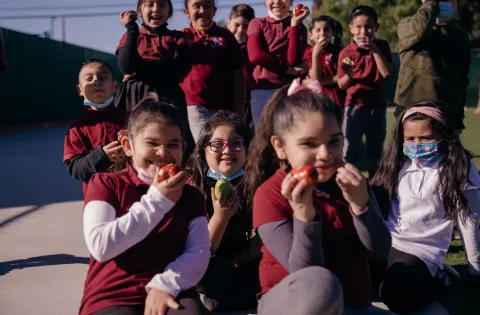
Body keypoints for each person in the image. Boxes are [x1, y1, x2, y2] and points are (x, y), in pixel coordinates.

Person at [244, 81, 392, 315]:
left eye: (334, 141)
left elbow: (380, 252)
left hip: (351, 306)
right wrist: (305, 216)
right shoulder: (270, 195)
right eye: (309, 144)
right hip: (293, 306)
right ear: (280, 147)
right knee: (321, 285)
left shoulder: (350, 182)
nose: (324, 154)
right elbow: (308, 280)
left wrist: (361, 206)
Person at [79, 93, 211, 315]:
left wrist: (165, 285)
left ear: (184, 147)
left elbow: (198, 252)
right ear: (127, 146)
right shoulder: (105, 184)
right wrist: (159, 200)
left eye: (173, 144)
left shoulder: (190, 195)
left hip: (171, 289)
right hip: (113, 294)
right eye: (152, 143)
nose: (163, 153)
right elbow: (101, 246)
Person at [371, 102, 480, 314]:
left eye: (426, 138)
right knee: (350, 277)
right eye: (410, 139)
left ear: (442, 135)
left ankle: (441, 277)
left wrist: (475, 268)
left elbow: (468, 222)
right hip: (387, 244)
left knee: (395, 295)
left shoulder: (456, 169)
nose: (417, 144)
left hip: (421, 253)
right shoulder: (395, 164)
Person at [185, 110, 260, 312]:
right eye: (217, 144)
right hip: (205, 261)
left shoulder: (253, 184)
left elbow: (264, 237)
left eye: (236, 144)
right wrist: (221, 216)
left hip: (241, 259)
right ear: (203, 150)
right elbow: (201, 252)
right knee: (204, 276)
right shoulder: (192, 189)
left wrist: (239, 260)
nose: (227, 151)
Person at [394, 0, 470, 131]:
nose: (440, 3)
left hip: (445, 111)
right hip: (410, 108)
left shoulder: (460, 36)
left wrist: (458, 115)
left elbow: (462, 79)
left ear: (457, 13)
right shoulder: (407, 25)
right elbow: (419, 28)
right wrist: (431, 4)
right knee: (407, 150)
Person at [337, 5, 393, 178]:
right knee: (350, 151)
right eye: (358, 27)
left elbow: (386, 73)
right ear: (351, 28)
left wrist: (374, 49)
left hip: (377, 106)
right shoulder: (346, 52)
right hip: (355, 106)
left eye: (368, 26)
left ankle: (377, 188)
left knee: (376, 152)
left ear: (376, 27)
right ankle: (350, 187)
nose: (363, 31)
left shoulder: (382, 46)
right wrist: (349, 74)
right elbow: (341, 84)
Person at [180, 0, 246, 143]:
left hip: (224, 107)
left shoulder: (226, 37)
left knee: (224, 145)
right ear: (186, 12)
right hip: (195, 103)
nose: (202, 10)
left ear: (214, 11)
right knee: (207, 144)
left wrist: (239, 109)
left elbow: (239, 74)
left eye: (207, 6)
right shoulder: (182, 38)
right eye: (197, 6)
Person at [115, 0, 190, 115]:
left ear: (169, 11)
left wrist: (139, 70)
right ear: (139, 12)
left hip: (168, 95)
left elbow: (179, 68)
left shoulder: (178, 37)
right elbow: (127, 67)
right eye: (149, 5)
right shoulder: (131, 35)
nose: (156, 9)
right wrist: (131, 29)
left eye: (162, 5)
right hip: (136, 95)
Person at [63, 59, 126, 190]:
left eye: (103, 77)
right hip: (99, 196)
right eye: (89, 79)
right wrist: (101, 156)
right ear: (80, 90)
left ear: (115, 86)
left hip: (135, 195)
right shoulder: (77, 129)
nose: (96, 82)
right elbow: (75, 169)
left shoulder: (132, 119)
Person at [247, 0, 309, 130]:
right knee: (263, 135)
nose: (277, 2)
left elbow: (293, 60)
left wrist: (294, 25)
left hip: (289, 90)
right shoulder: (257, 23)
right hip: (262, 89)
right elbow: (255, 55)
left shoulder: (300, 28)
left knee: (288, 134)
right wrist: (286, 69)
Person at [303, 15, 345, 108]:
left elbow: (343, 76)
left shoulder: (339, 52)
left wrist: (321, 81)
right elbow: (315, 78)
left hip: (337, 101)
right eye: (318, 30)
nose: (322, 33)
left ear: (332, 33)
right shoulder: (307, 53)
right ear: (310, 35)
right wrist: (316, 54)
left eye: (326, 30)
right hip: (316, 102)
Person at [226, 4, 256, 131]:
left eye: (246, 27)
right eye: (237, 25)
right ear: (228, 24)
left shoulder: (254, 49)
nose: (240, 30)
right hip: (227, 99)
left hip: (250, 100)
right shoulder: (223, 48)